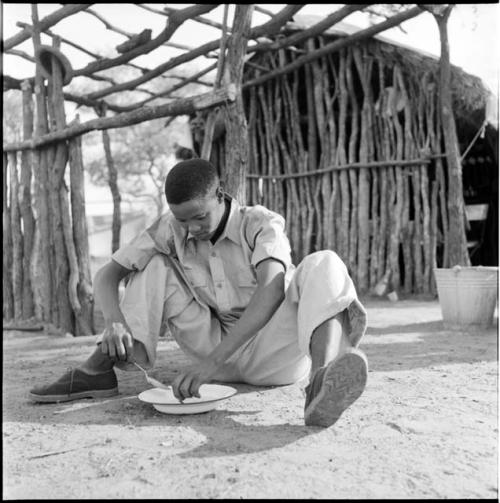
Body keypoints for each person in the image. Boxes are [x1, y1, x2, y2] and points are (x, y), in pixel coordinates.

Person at [29, 158, 369, 428]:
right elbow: (107, 275)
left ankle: (320, 383)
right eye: (183, 220)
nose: (191, 229)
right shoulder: (171, 227)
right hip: (214, 350)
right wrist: (113, 323)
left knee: (324, 262)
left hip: (272, 356)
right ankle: (98, 371)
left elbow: (271, 289)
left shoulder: (260, 224)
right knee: (153, 266)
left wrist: (211, 362)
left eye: (200, 217)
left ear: (220, 195)